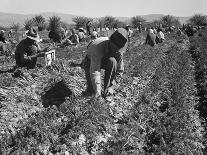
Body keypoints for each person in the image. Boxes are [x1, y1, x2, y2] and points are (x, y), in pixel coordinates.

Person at [82, 28, 128, 98]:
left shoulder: (118, 52)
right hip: (90, 60)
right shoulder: (98, 47)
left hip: (105, 59)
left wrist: (112, 86)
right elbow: (95, 70)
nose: (115, 50)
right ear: (109, 42)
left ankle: (107, 90)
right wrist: (97, 92)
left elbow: (120, 71)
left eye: (117, 49)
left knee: (112, 61)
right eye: (113, 48)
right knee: (92, 90)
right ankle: (93, 93)